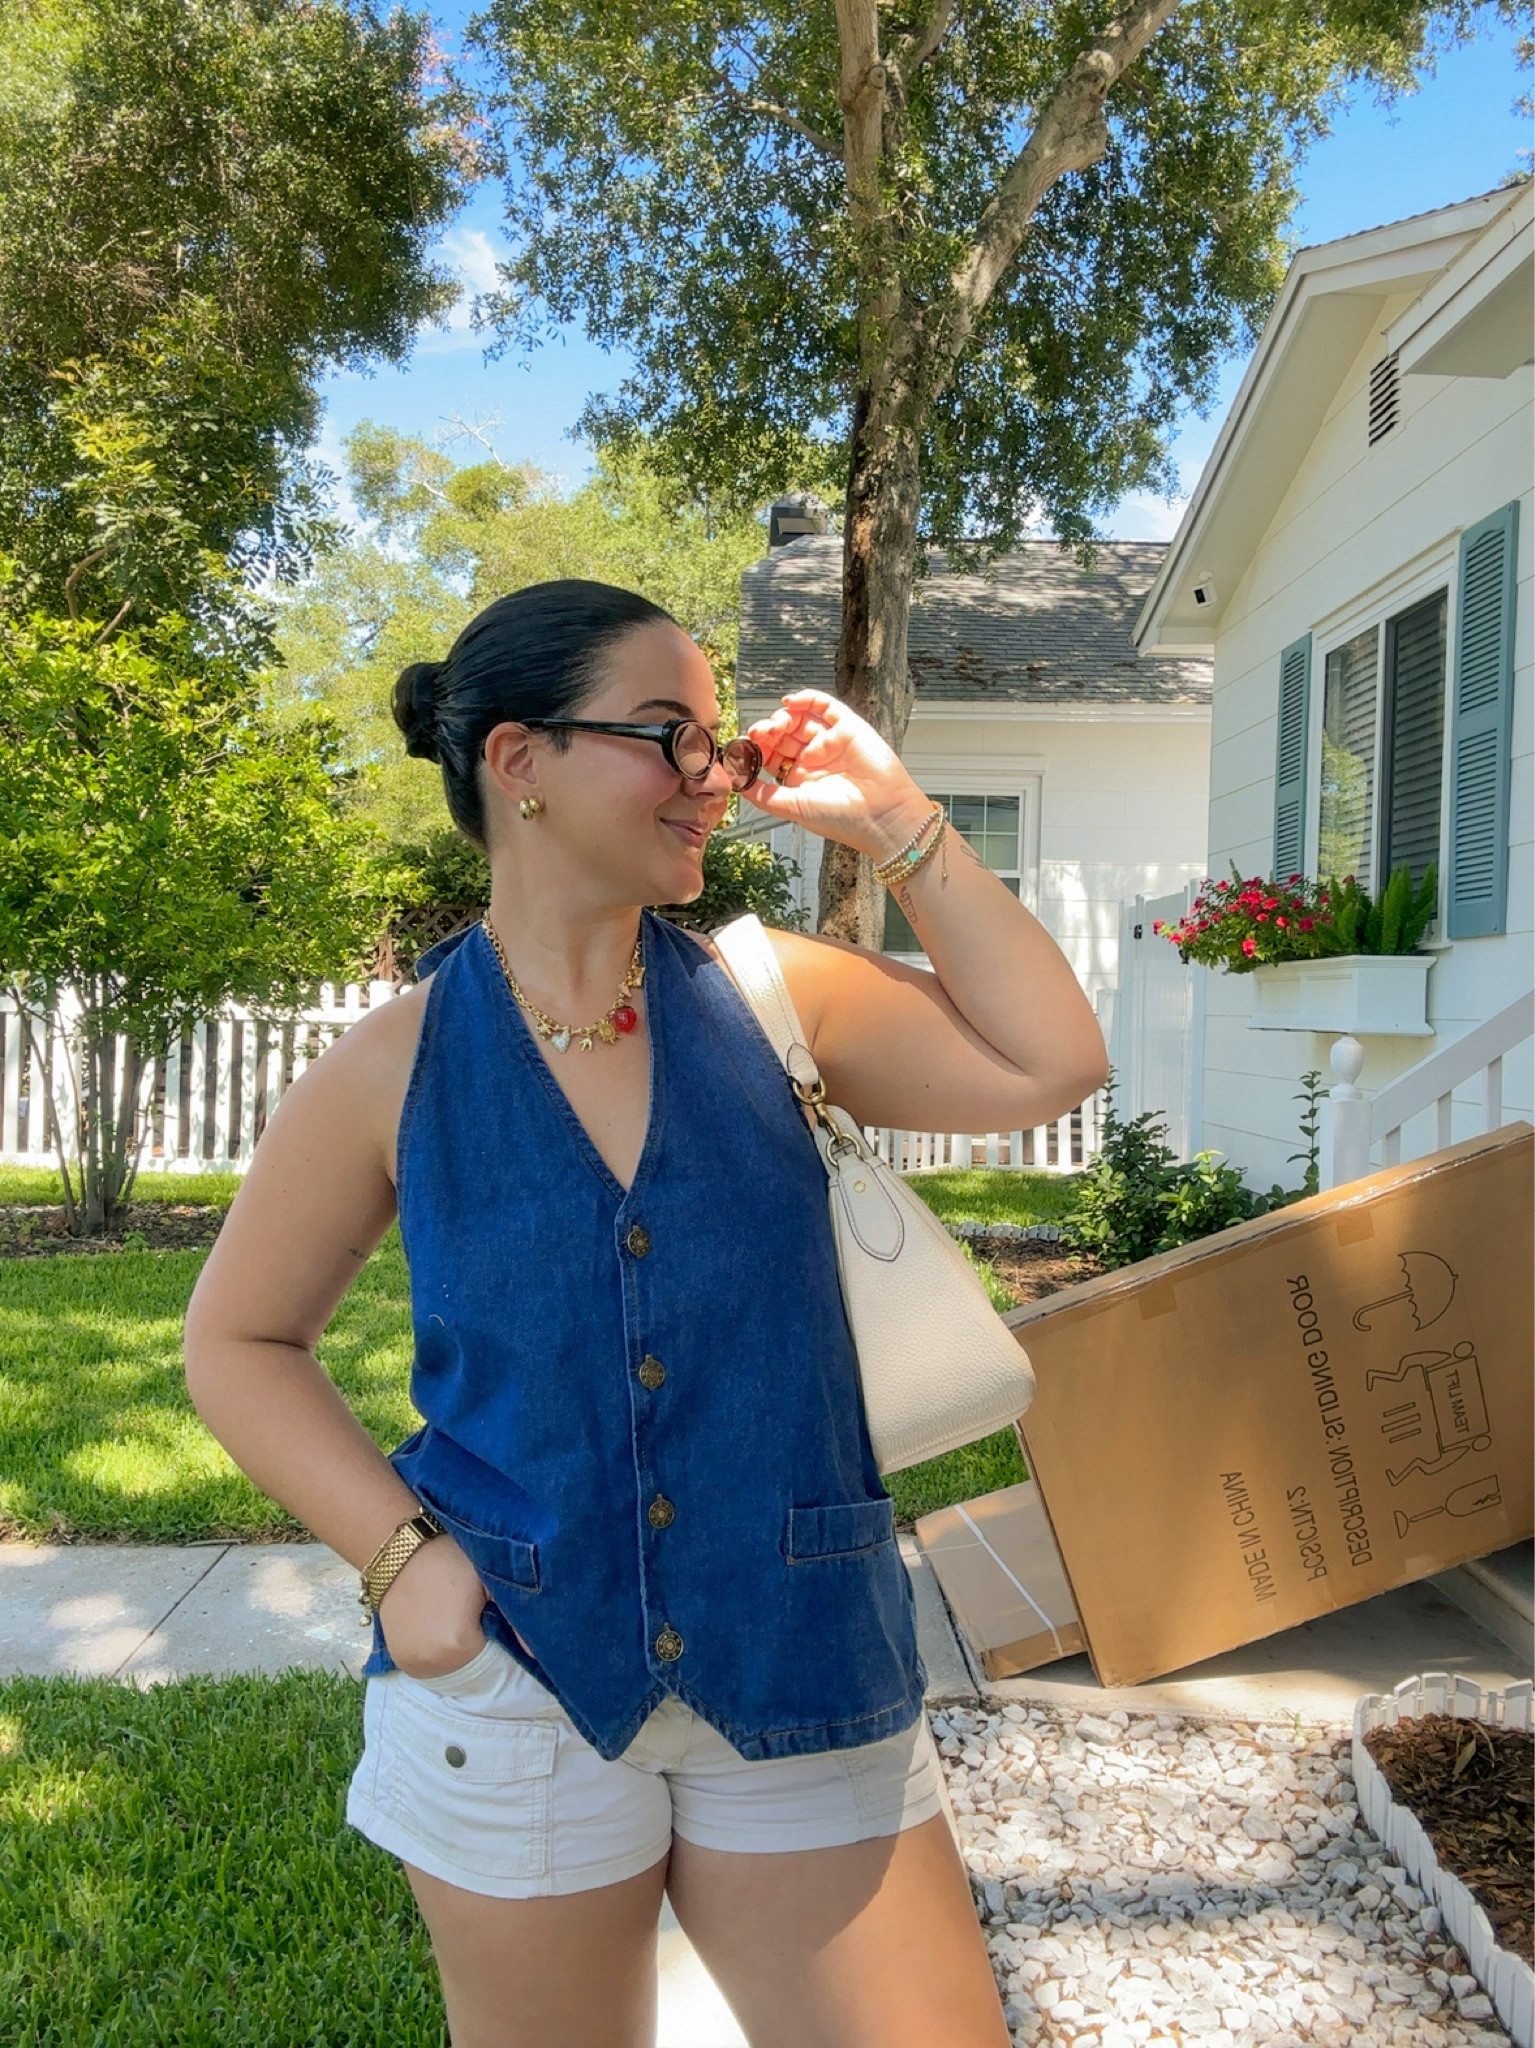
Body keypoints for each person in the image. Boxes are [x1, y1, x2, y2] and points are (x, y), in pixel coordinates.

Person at [184, 578, 1107, 2048]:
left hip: (804, 1649)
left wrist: (897, 822)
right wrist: (406, 1565)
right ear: (519, 761)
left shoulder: (774, 996)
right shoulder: (393, 1064)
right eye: (668, 735)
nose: (714, 778)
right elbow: (236, 1343)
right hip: (518, 1687)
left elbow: (1051, 1062)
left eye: (716, 741)